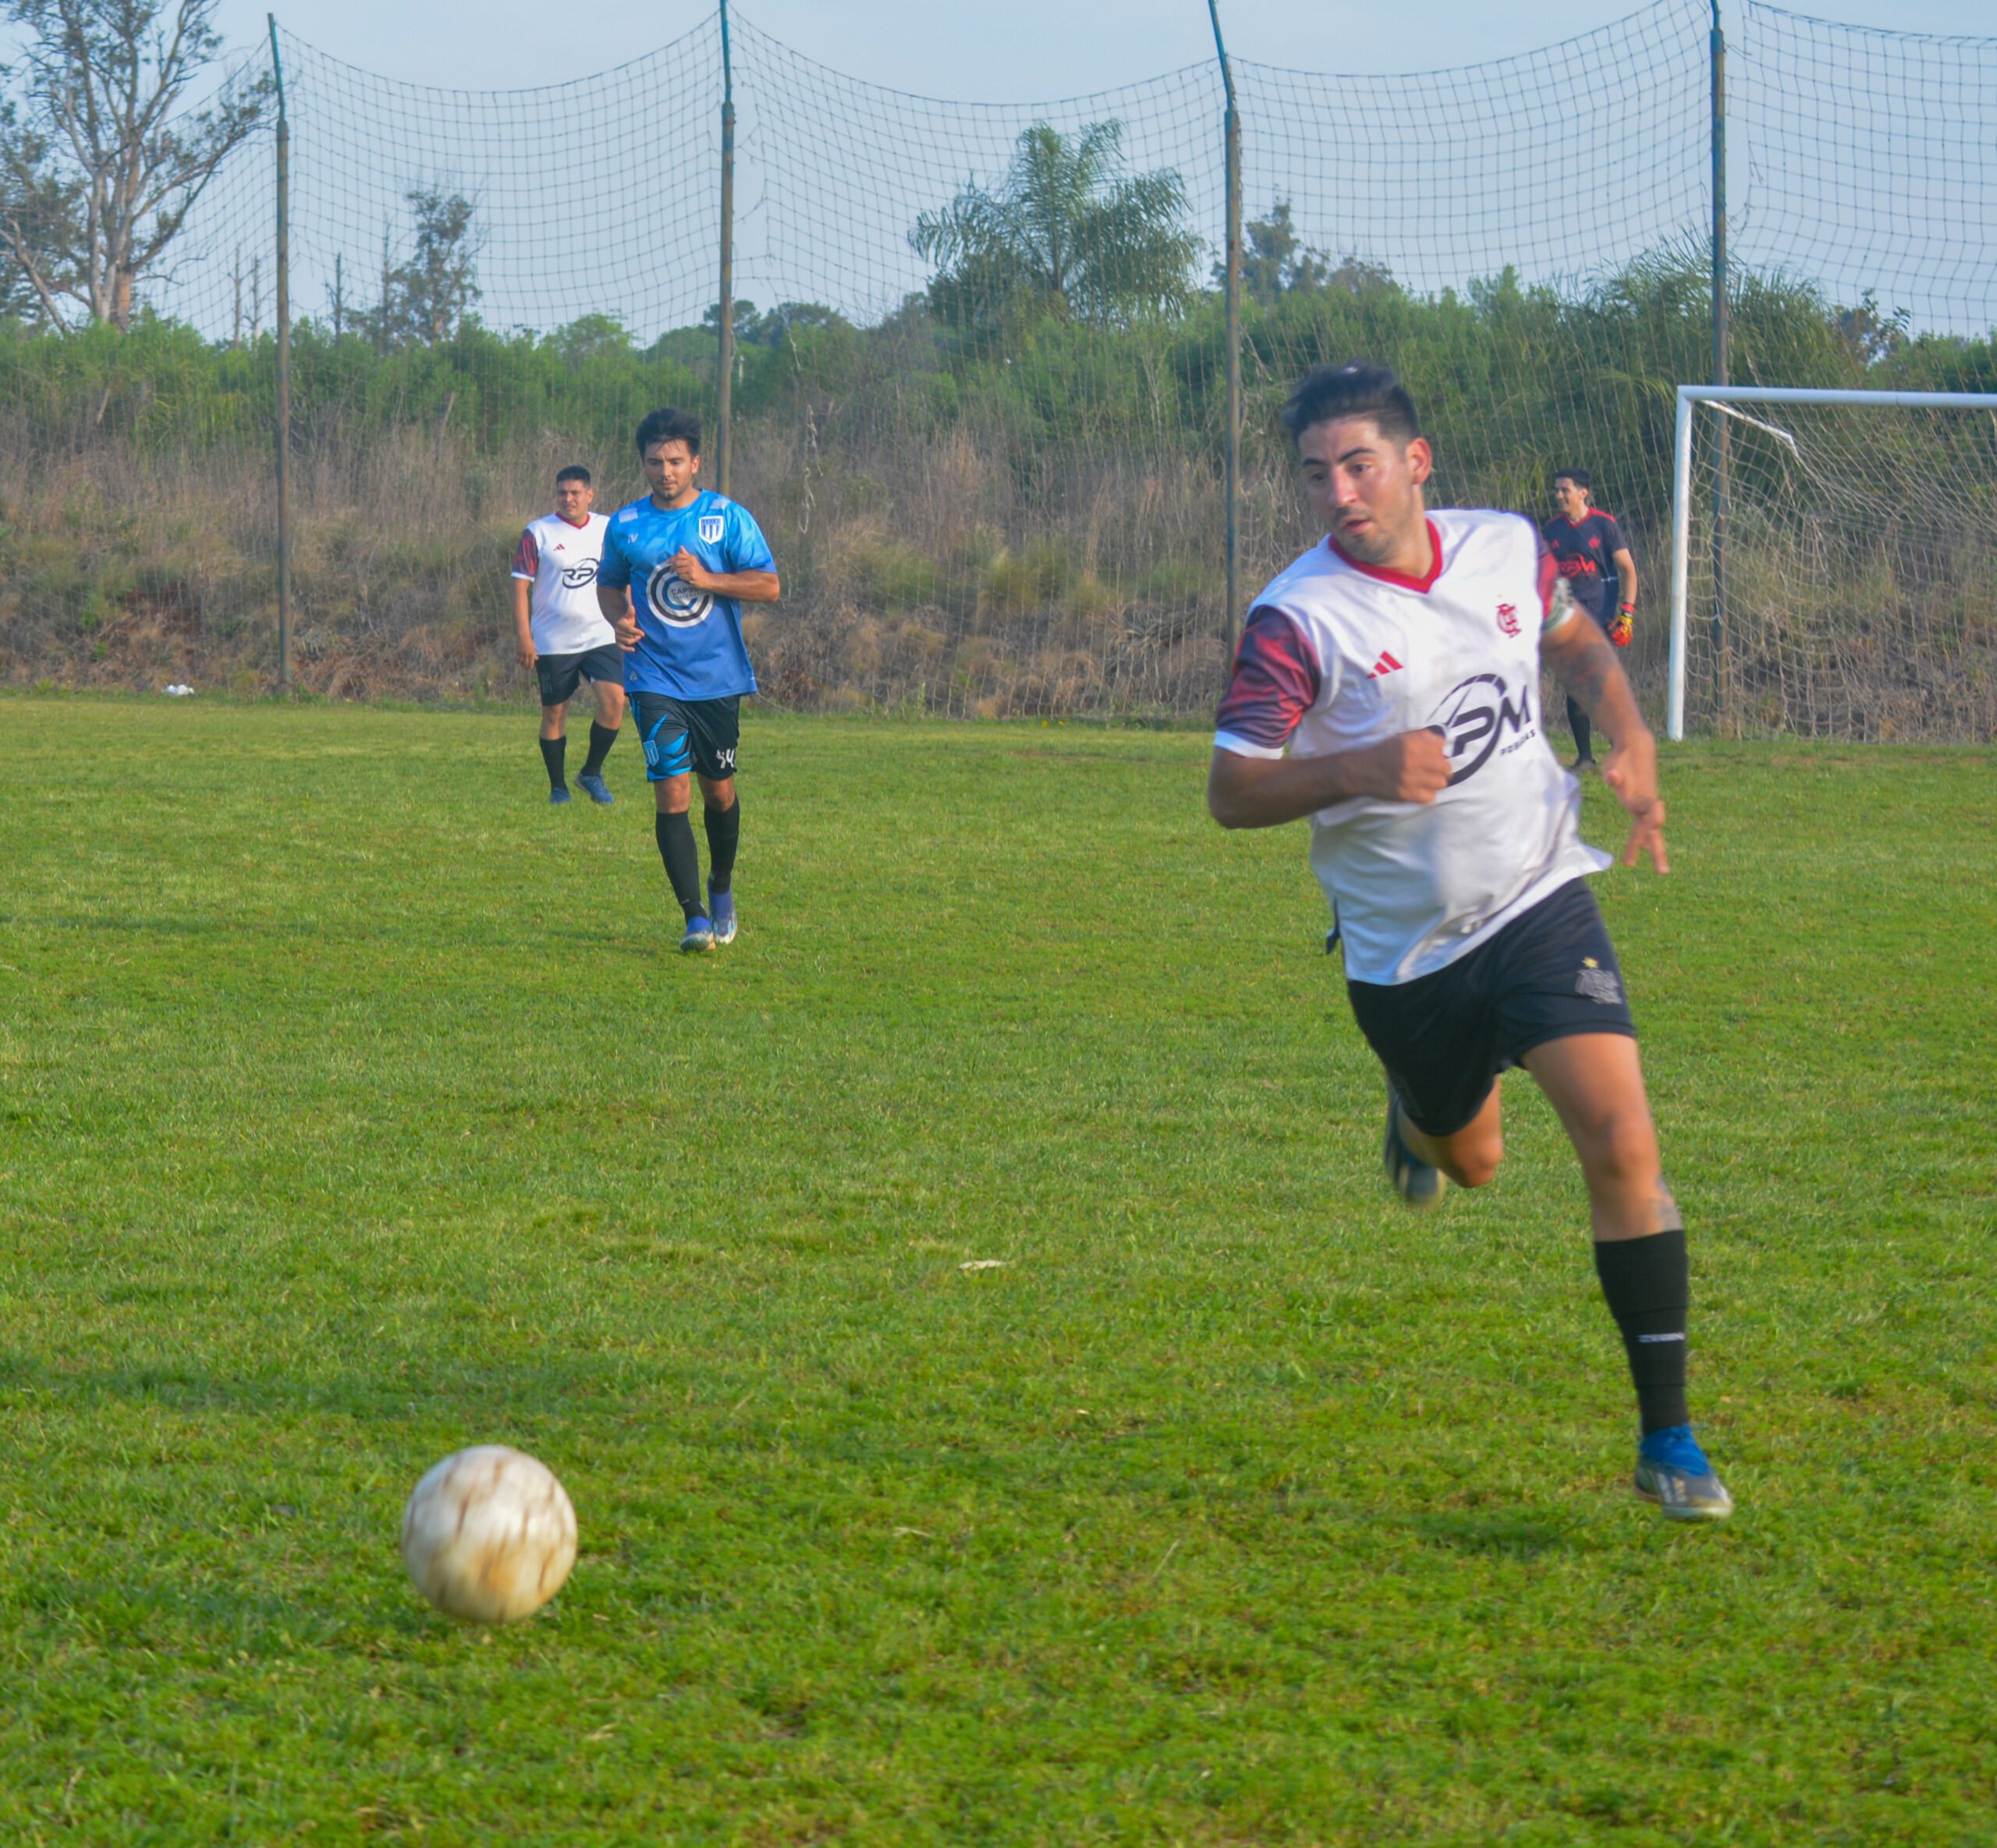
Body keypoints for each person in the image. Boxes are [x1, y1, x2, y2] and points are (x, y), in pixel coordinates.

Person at [1206, 361, 1729, 1523]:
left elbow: (1575, 640)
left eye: (1359, 465)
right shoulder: (1297, 618)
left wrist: (1633, 736)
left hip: (1541, 894)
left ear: (1415, 461)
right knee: (1474, 1161)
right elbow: (1231, 791)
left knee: (1623, 1139)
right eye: (1317, 474)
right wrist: (1359, 769)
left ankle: (1668, 1436)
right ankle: (1414, 1115)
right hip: (1407, 953)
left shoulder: (1504, 546)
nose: (1339, 492)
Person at [594, 407, 780, 953]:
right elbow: (608, 586)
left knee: (718, 792)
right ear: (643, 464)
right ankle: (694, 917)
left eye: (675, 461)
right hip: (652, 675)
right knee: (671, 790)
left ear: (695, 462)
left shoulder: (726, 518)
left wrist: (707, 578)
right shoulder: (625, 525)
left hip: (717, 678)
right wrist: (617, 620)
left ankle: (720, 885)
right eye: (655, 462)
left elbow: (768, 585)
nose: (665, 471)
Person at [512, 464, 625, 805]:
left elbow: (624, 576)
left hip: (601, 634)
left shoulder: (608, 528)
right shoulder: (538, 533)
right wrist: (524, 636)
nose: (568, 499)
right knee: (555, 713)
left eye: (575, 493)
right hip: (553, 640)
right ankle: (558, 787)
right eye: (562, 493)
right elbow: (519, 587)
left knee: (615, 702)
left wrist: (628, 616)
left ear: (590, 494)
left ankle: (591, 772)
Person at [1541, 467, 1638, 771]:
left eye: (1565, 490)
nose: (1559, 495)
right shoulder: (1552, 530)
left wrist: (1627, 613)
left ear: (1583, 493)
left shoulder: (1604, 525)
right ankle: (1586, 758)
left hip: (1602, 618)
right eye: (1557, 490)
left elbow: (1629, 570)